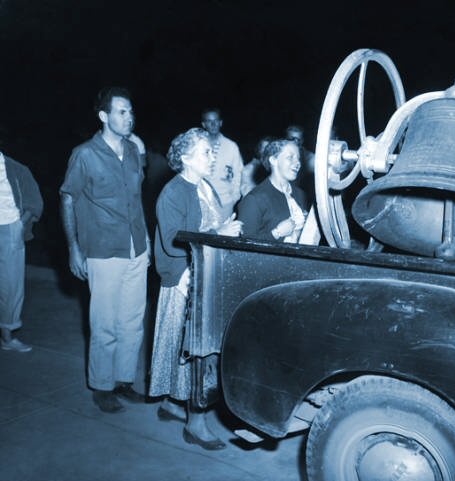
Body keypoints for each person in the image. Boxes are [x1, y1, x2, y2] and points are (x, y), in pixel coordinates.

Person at [151, 127, 242, 450]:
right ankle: (196, 423)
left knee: (182, 349)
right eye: (205, 152)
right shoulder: (173, 192)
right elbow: (174, 241)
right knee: (194, 351)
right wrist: (221, 231)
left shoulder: (203, 186)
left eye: (212, 152)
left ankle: (172, 405)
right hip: (185, 279)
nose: (212, 157)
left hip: (205, 274)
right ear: (186, 157)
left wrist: (223, 230)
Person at [60, 87, 149, 413]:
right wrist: (73, 248)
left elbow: (137, 200)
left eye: (131, 111)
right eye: (122, 111)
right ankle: (102, 385)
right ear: (104, 116)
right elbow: (68, 198)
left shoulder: (134, 150)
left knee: (132, 321)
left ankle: (123, 381)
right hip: (102, 249)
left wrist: (146, 245)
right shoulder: (84, 154)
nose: (129, 117)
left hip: (136, 247)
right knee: (105, 323)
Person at [0, 151, 43, 352]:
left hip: (9, 227)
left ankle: (7, 338)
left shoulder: (17, 168)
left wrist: (20, 224)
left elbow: (35, 203)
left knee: (11, 284)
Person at [237, 138, 309, 242]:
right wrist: (276, 233)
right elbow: (244, 245)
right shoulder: (254, 199)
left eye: (298, 158)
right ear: (273, 160)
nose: (297, 163)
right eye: (290, 157)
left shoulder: (300, 194)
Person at [201, 108, 244, 218]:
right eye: (209, 121)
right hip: (201, 203)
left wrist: (234, 198)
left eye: (216, 121)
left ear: (221, 123)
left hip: (225, 203)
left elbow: (238, 174)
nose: (213, 124)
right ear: (203, 124)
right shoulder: (198, 146)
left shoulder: (231, 146)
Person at [286, 125, 315, 199]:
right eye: (292, 139)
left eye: (298, 139)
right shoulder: (278, 155)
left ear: (302, 141)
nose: (296, 142)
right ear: (285, 139)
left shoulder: (309, 157)